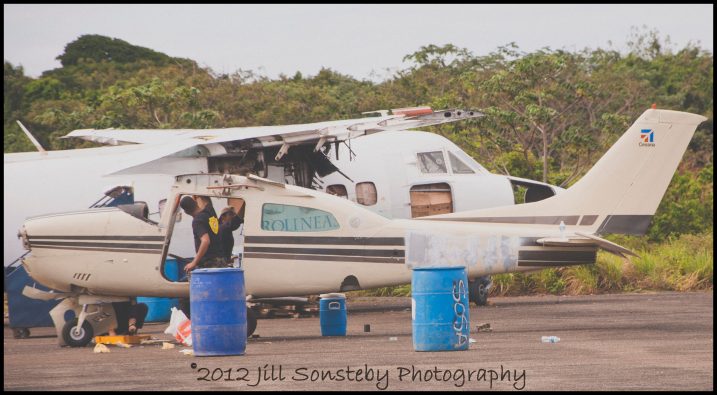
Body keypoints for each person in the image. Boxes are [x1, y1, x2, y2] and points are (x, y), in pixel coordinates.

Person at [179, 195, 229, 274]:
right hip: (221, 260)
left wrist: (194, 262)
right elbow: (205, 199)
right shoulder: (210, 211)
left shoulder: (197, 221)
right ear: (196, 202)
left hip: (210, 264)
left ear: (186, 212)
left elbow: (205, 241)